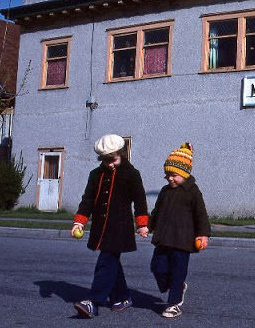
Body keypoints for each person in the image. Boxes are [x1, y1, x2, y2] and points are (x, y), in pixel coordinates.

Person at [71, 134, 149, 318]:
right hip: (101, 227)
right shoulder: (95, 174)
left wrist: (142, 224)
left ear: (120, 154)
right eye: (106, 161)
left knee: (105, 262)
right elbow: (87, 200)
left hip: (120, 228)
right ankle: (122, 297)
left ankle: (93, 302)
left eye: (113, 160)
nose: (110, 164)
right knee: (112, 261)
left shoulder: (131, 174)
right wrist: (79, 222)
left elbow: (140, 200)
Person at [149, 142, 211, 318]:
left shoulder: (193, 192)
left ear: (184, 173)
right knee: (157, 267)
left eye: (174, 175)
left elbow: (201, 214)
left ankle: (174, 303)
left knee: (178, 272)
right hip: (163, 238)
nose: (170, 178)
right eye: (167, 174)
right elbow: (156, 211)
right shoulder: (164, 191)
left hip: (183, 241)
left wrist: (203, 234)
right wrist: (147, 226)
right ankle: (176, 287)